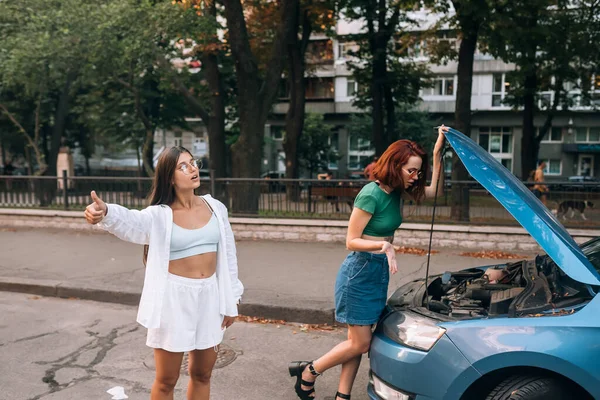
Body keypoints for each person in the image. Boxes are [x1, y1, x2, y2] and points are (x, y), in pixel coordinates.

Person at [289, 126, 448, 400]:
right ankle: (309, 371)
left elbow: (436, 193)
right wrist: (383, 244)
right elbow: (351, 240)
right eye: (411, 170)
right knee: (360, 343)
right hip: (359, 271)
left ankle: (342, 396)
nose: (416, 177)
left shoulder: (397, 191)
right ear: (395, 165)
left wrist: (437, 154)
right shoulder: (370, 194)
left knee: (358, 342)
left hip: (377, 272)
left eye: (418, 171)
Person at [84, 146, 243, 400]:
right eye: (183, 166)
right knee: (166, 380)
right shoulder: (159, 215)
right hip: (173, 301)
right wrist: (105, 212)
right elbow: (131, 222)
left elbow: (230, 255)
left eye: (193, 163)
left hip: (211, 298)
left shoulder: (216, 208)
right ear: (169, 177)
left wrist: (232, 298)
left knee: (203, 374)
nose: (192, 169)